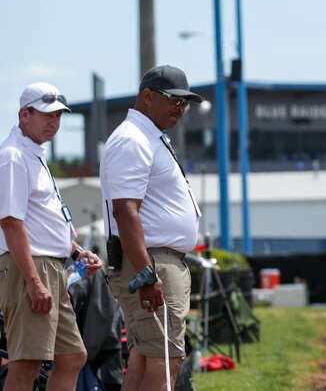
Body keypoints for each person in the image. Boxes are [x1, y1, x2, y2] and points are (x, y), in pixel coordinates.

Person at [101, 65, 204, 391]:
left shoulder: (146, 137)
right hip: (151, 262)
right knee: (165, 361)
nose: (180, 108)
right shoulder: (132, 139)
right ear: (147, 96)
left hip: (155, 260)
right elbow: (125, 211)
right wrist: (147, 274)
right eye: (174, 100)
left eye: (185, 103)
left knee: (145, 359)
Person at [0, 83, 103, 391]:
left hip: (50, 265)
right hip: (31, 267)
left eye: (58, 115)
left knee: (72, 356)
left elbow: (39, 220)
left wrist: (75, 253)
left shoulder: (32, 154)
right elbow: (10, 221)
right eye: (46, 114)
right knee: (27, 361)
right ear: (24, 114)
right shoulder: (14, 156)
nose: (54, 122)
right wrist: (33, 281)